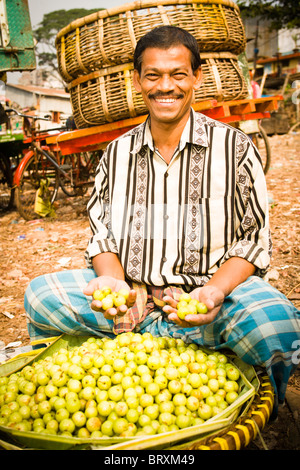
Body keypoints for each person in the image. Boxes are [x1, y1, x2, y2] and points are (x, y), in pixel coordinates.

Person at [24, 26, 299, 418]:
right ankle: (130, 350)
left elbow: (254, 240)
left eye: (178, 74)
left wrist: (214, 293)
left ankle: (259, 403)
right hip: (131, 304)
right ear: (138, 81)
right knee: (39, 295)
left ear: (196, 78)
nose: (165, 86)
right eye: (153, 75)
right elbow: (102, 233)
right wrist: (115, 284)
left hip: (208, 306)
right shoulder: (117, 154)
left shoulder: (234, 147)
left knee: (275, 325)